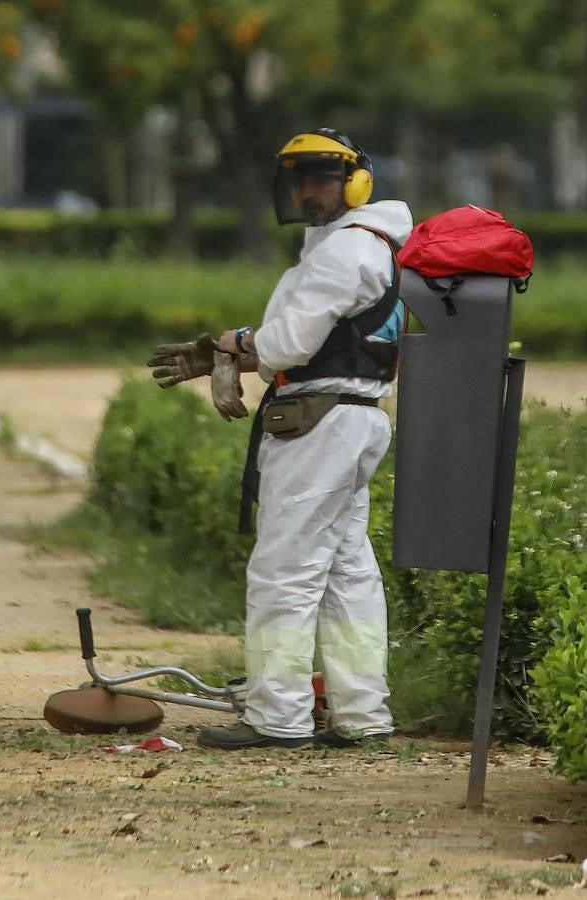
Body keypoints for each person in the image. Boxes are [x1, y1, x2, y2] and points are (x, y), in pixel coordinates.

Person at [147, 128, 413, 750]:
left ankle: (278, 718)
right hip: (351, 416)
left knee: (282, 575)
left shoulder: (346, 251)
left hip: (319, 424)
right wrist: (234, 350)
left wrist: (233, 348)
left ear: (357, 181)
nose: (306, 190)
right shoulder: (356, 247)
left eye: (321, 176)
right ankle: (362, 713)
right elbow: (305, 335)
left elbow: (288, 345)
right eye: (298, 178)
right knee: (348, 575)